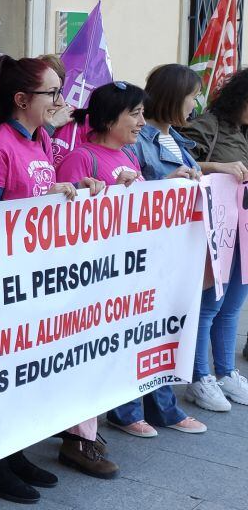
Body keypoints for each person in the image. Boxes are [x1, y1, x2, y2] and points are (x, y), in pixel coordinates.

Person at [0, 55, 108, 502]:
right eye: (52, 92)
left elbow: (43, 197)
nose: (60, 100)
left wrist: (78, 191)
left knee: (23, 378)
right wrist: (41, 198)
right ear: (21, 98)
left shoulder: (43, 141)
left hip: (38, 280)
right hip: (4, 283)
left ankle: (12, 453)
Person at [104, 64, 210, 435]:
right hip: (142, 250)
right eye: (192, 95)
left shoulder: (174, 139)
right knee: (135, 329)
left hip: (171, 251)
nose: (197, 102)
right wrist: (166, 183)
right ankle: (128, 409)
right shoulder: (143, 139)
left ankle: (163, 404)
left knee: (161, 328)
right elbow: (138, 189)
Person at [55, 81, 153, 479]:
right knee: (85, 357)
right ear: (110, 118)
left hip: (118, 278)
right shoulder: (82, 159)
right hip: (87, 281)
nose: (142, 122)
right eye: (135, 114)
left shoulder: (129, 154)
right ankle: (77, 439)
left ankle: (88, 430)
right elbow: (62, 218)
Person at [180, 69, 248, 411]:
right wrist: (220, 168)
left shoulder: (242, 129)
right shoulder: (209, 125)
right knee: (211, 305)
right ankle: (199, 376)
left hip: (245, 230)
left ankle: (226, 372)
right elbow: (184, 165)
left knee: (233, 303)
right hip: (218, 226)